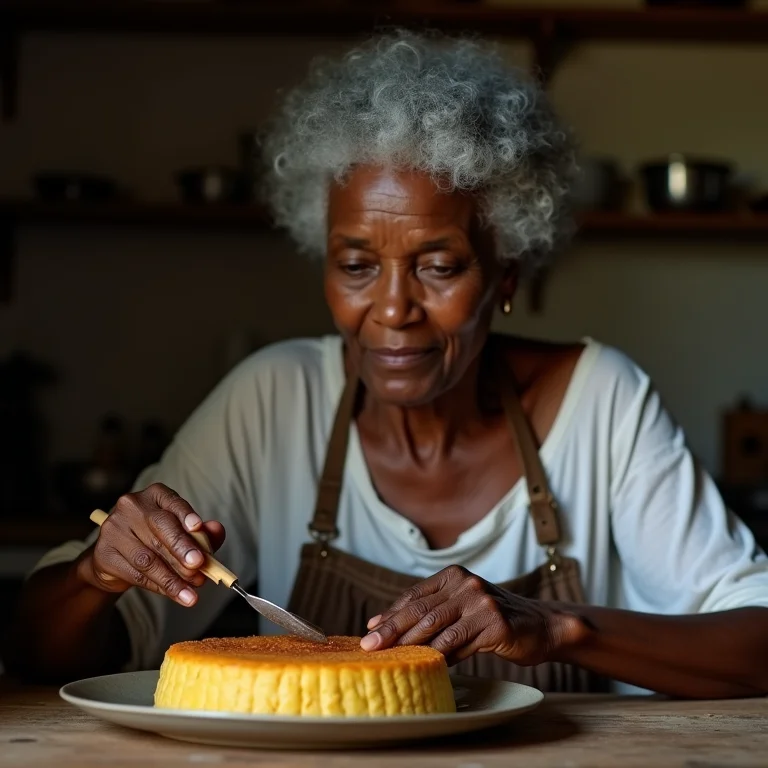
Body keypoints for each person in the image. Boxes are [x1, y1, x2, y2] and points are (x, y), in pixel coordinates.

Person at [4, 31, 768, 698]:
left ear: (506, 276)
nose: (393, 309)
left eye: (438, 266)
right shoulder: (273, 400)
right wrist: (95, 578)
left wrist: (557, 628)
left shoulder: (601, 401)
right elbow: (43, 657)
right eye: (357, 265)